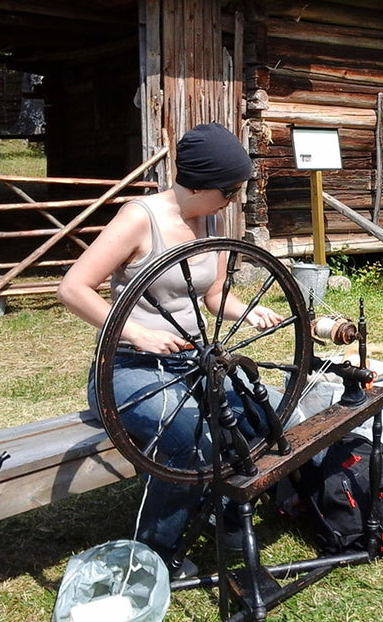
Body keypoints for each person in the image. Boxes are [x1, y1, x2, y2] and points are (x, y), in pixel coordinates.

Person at [57, 122, 282, 568]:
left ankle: (227, 515)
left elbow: (214, 296)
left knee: (256, 418)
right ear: (201, 184)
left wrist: (247, 311)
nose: (234, 199)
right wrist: (138, 333)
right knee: (191, 439)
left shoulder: (211, 219)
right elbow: (73, 287)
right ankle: (154, 555)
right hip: (126, 368)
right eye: (230, 190)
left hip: (193, 363)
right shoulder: (139, 217)